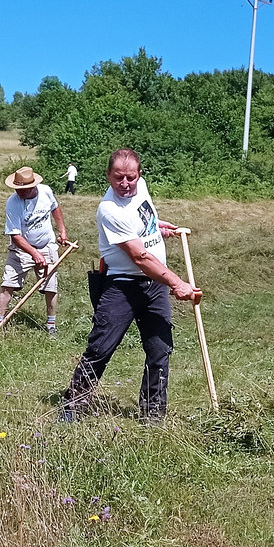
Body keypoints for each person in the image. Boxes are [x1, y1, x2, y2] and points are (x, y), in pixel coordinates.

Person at [61, 148, 200, 423]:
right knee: (101, 347)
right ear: (108, 176)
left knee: (160, 349)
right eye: (118, 178)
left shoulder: (140, 188)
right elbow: (139, 257)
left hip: (154, 287)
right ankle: (72, 407)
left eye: (131, 178)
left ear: (139, 175)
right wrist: (176, 282)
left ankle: (153, 415)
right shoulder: (109, 209)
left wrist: (157, 226)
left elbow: (140, 221)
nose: (125, 184)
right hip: (122, 286)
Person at [0, 166, 68, 336]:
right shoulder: (13, 203)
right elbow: (15, 236)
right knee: (8, 283)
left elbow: (55, 208)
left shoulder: (46, 191)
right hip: (22, 248)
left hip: (47, 245)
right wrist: (34, 253)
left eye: (23, 189)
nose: (19, 192)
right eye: (17, 189)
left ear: (33, 186)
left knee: (50, 286)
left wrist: (62, 230)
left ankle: (51, 325)